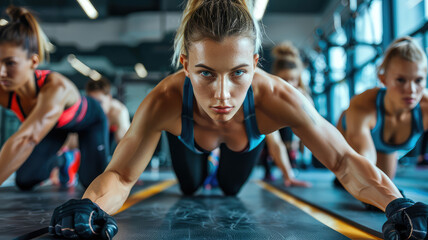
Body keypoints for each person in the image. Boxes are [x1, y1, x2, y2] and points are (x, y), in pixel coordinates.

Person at [49, 1, 428, 239]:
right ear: (185, 65)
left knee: (230, 189)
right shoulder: (164, 98)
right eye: (206, 74)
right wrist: (89, 205)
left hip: (244, 145)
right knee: (191, 187)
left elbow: (344, 160)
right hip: (188, 144)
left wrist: (398, 204)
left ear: (255, 65)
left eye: (239, 73)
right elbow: (121, 175)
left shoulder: (279, 97)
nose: (223, 95)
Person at [0, 6, 109, 190]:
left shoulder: (56, 87)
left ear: (33, 61)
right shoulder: (4, 87)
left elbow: (26, 139)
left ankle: (73, 158)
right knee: (24, 181)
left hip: (90, 123)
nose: (1, 72)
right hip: (54, 129)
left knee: (91, 184)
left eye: (10, 63)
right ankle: (59, 159)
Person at [336, 37, 427, 181]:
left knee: (386, 184)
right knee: (362, 182)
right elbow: (364, 159)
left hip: (386, 149)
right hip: (350, 137)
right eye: (401, 80)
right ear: (383, 79)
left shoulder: (425, 107)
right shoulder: (364, 104)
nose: (411, 90)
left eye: (418, 80)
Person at [86, 77, 131, 148]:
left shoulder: (118, 111)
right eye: (93, 102)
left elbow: (125, 143)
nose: (96, 107)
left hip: (113, 139)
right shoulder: (89, 109)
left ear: (109, 97)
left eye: (100, 102)